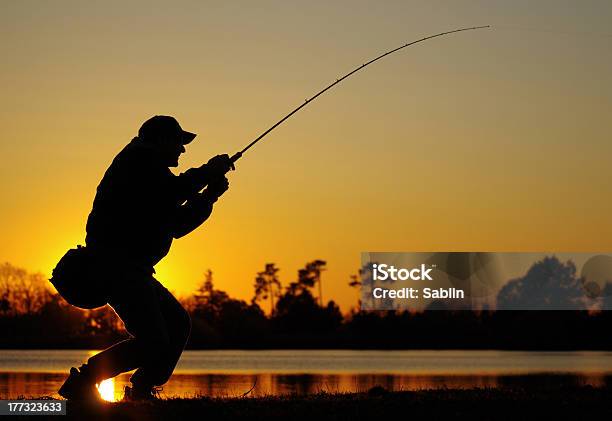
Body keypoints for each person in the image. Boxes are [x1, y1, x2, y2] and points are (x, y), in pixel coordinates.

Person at [58, 115, 232, 401]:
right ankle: (86, 380)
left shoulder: (151, 171)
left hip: (133, 269)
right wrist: (209, 171)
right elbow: (173, 191)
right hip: (115, 266)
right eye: (179, 143)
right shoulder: (136, 162)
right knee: (154, 340)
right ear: (161, 141)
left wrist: (210, 195)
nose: (182, 150)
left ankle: (141, 389)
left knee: (177, 324)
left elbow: (177, 224)